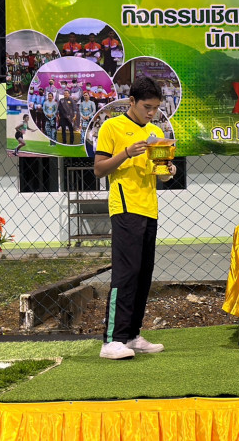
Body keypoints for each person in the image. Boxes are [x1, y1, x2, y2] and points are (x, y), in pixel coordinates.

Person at [94, 76, 176, 360]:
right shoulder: (112, 126)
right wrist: (127, 153)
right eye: (146, 107)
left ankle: (132, 335)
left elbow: (162, 174)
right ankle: (112, 340)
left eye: (156, 108)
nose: (151, 113)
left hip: (149, 208)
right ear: (132, 101)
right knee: (126, 273)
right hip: (125, 207)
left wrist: (169, 170)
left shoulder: (155, 131)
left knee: (143, 274)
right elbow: (99, 169)